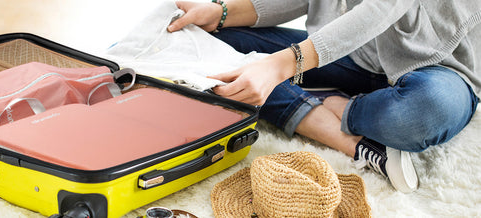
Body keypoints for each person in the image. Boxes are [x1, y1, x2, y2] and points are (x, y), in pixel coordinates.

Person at [167, 0, 481, 193]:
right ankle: (346, 136)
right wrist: (221, 12)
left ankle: (334, 101)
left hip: (438, 72)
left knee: (426, 112)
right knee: (209, 43)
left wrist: (282, 64)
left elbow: (381, 8)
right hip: (351, 55)